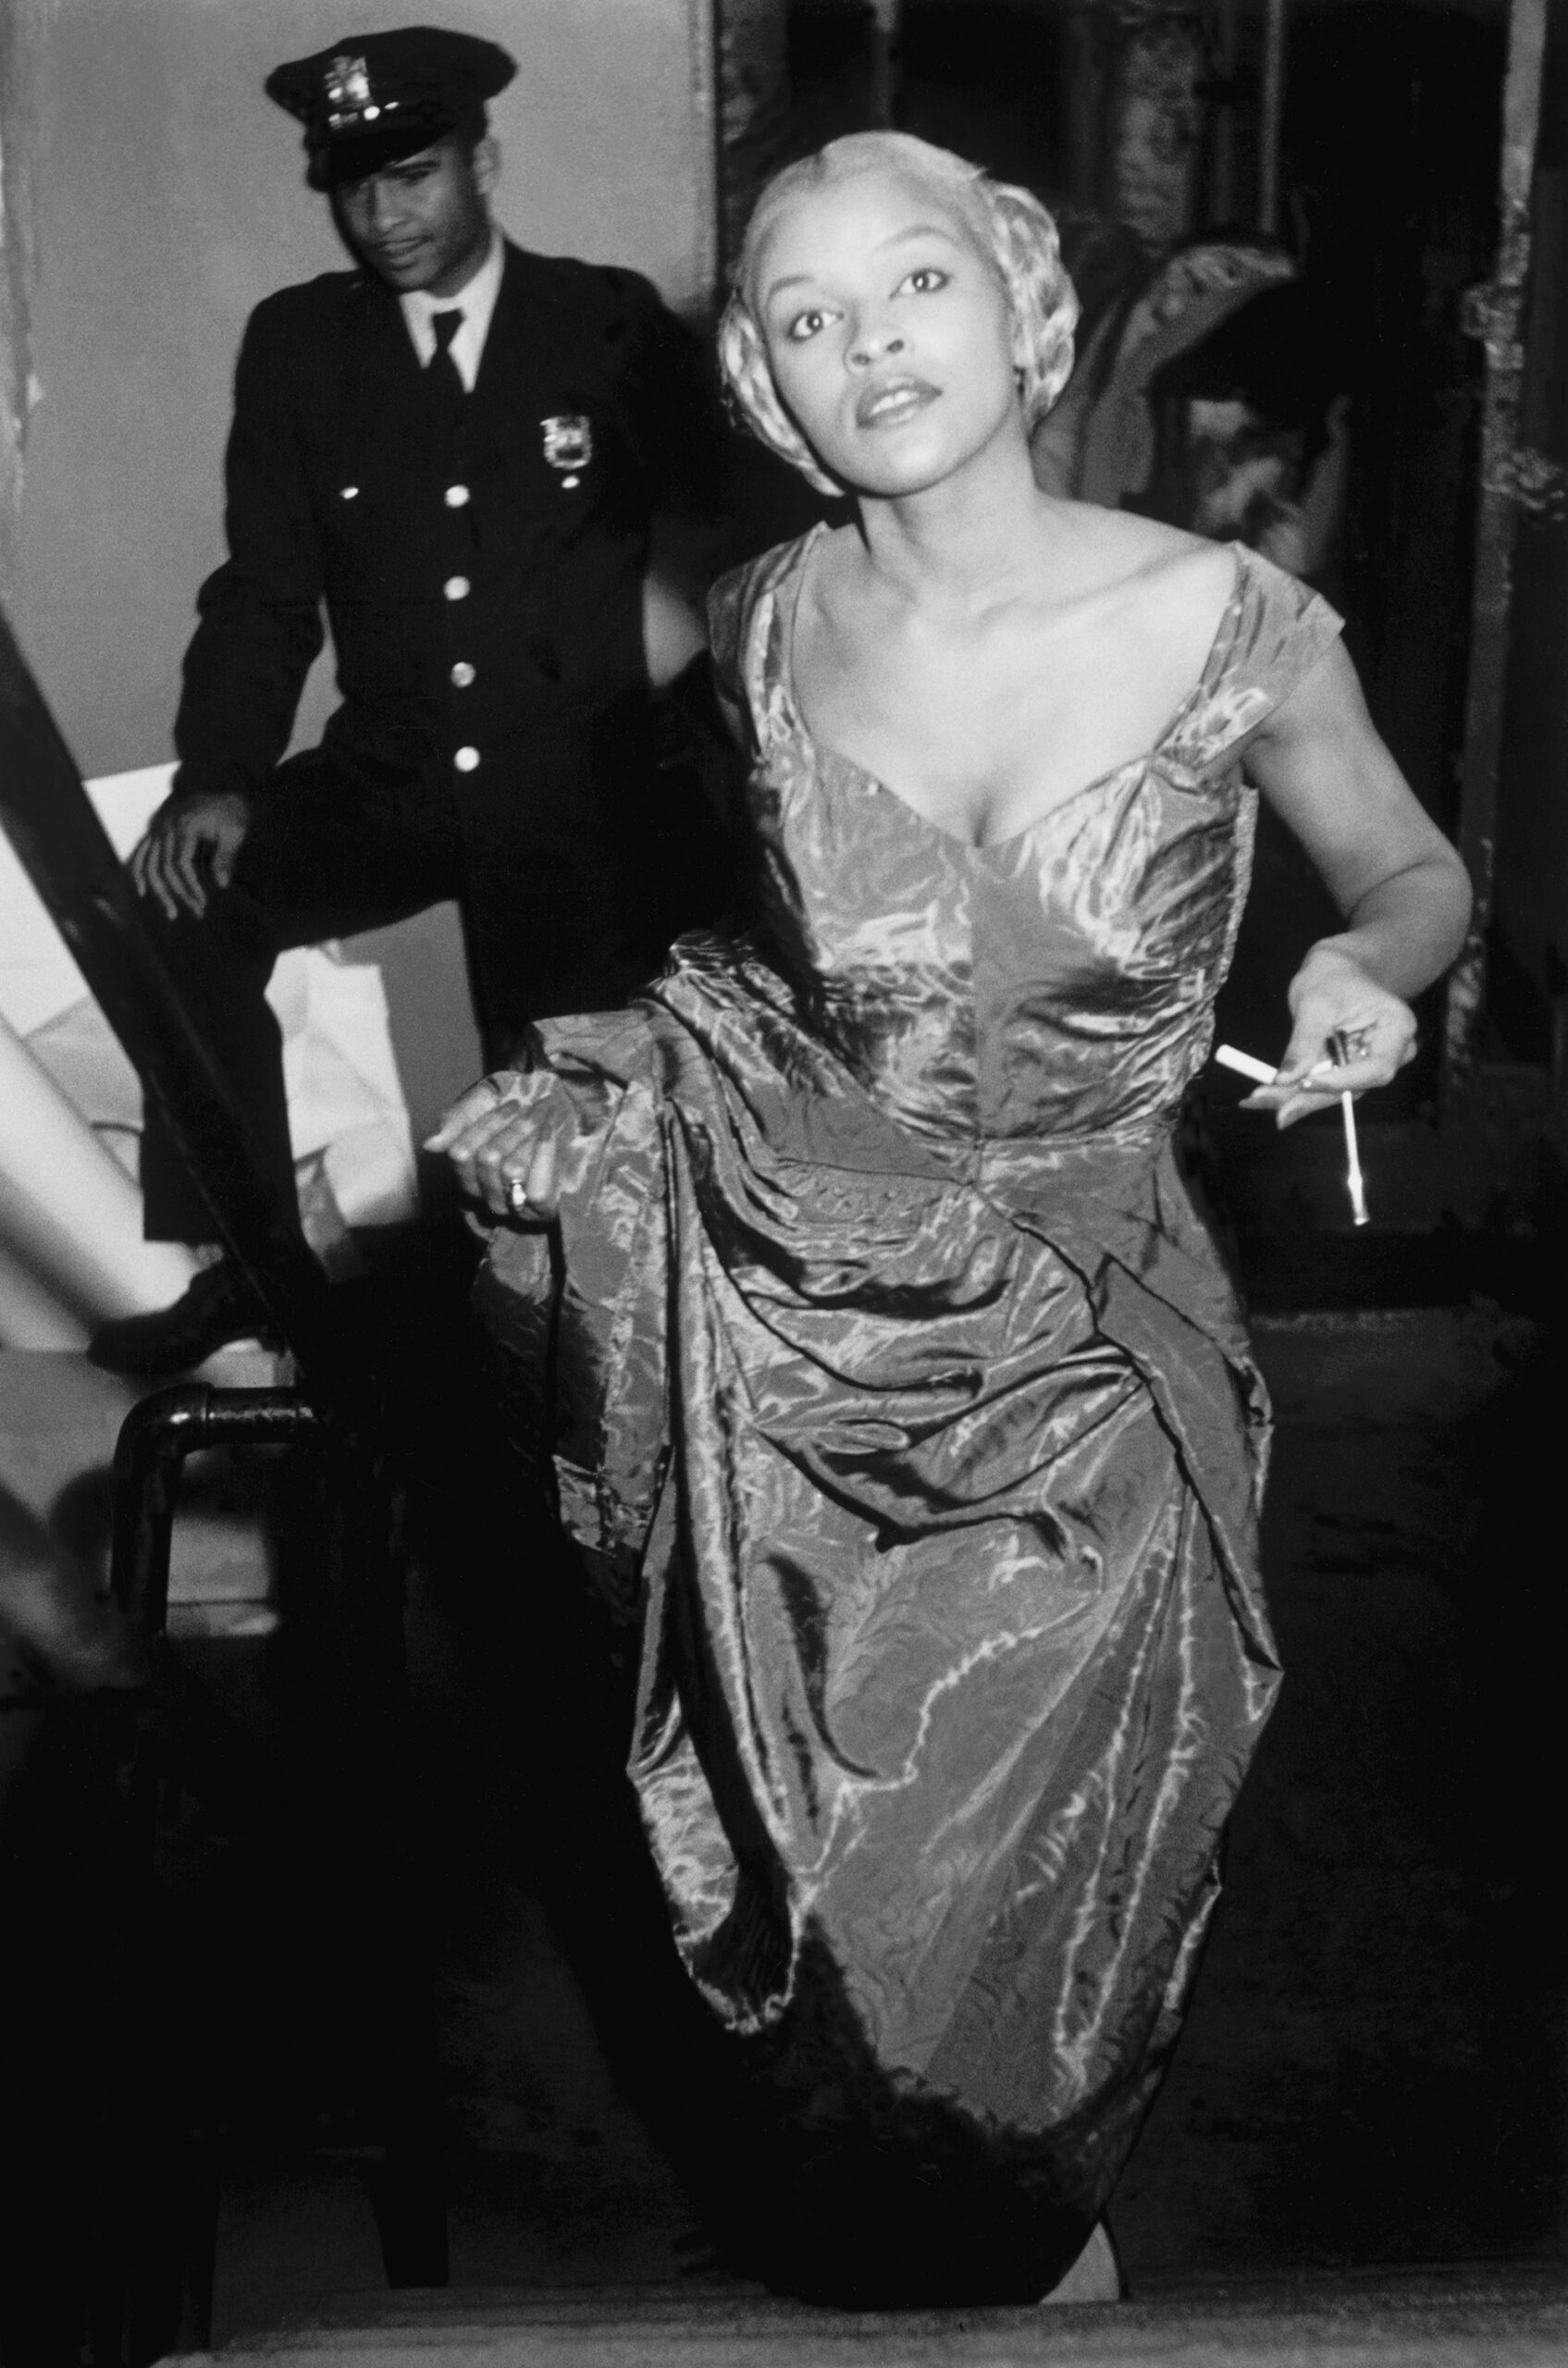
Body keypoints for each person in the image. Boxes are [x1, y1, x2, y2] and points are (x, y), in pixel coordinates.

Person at [432, 133, 1471, 2306]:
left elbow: (1414, 867)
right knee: (836, 1940)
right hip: (813, 1348)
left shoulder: (1223, 618)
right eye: (805, 319)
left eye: (912, 286)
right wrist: (607, 1105)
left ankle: (1020, 2251)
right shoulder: (767, 623)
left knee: (1032, 1951)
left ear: (1021, 308)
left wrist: (1372, 964)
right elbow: (773, 977)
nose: (866, 344)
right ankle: (961, 2271)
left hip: (1097, 1358)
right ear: (763, 386)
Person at [92, 25, 723, 1377]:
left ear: (482, 160)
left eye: (417, 176)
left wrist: (689, 742)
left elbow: (737, 540)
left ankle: (605, 1345)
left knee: (571, 1098)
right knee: (177, 905)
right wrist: (219, 775)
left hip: (579, 796)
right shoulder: (301, 346)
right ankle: (250, 1268)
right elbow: (265, 592)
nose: (385, 216)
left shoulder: (604, 324)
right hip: (396, 776)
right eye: (353, 186)